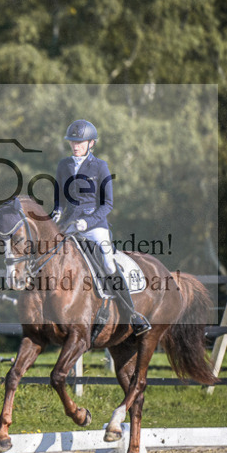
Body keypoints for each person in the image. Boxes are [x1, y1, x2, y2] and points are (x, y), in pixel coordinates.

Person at [50, 119, 150, 335]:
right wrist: (56, 212)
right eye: (72, 142)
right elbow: (59, 199)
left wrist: (88, 221)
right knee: (50, 255)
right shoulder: (63, 165)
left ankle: (132, 314)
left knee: (107, 261)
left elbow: (108, 204)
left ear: (91, 143)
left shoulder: (100, 166)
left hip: (94, 225)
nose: (75, 145)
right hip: (69, 224)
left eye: (80, 142)